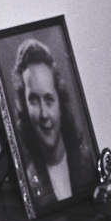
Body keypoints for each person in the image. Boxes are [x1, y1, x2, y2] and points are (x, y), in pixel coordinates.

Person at [12, 38, 84, 207]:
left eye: (49, 99)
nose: (44, 114)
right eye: (33, 100)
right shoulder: (29, 183)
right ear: (24, 108)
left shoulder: (87, 165)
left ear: (60, 104)